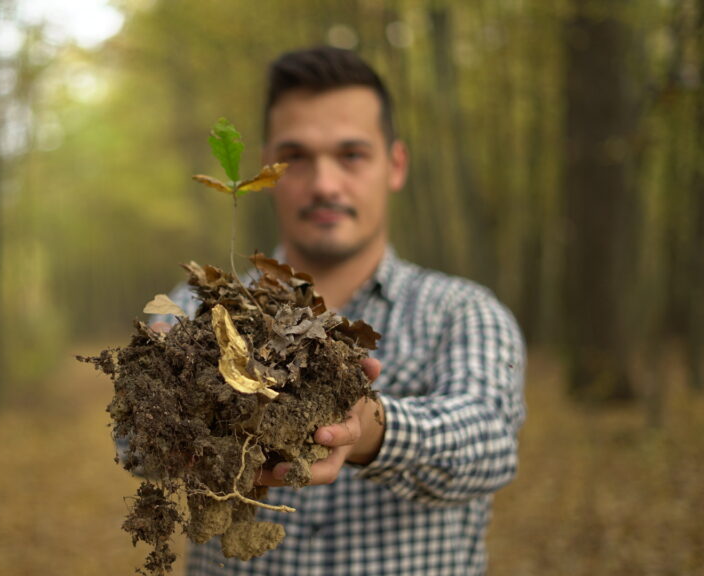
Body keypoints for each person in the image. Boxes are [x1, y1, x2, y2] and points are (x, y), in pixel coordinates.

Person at [163, 45, 526, 576]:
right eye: (298, 157)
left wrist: (371, 429)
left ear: (395, 165)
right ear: (269, 167)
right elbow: (134, 440)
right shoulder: (197, 309)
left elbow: (489, 444)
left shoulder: (463, 312)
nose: (325, 184)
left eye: (351, 155)